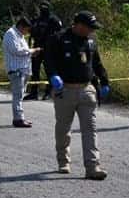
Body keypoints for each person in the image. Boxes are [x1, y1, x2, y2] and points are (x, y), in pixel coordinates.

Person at [44, 11, 111, 180]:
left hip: (86, 90)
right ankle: (63, 161)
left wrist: (105, 81)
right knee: (63, 128)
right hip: (64, 90)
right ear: (79, 25)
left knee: (90, 130)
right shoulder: (58, 39)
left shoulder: (91, 41)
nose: (91, 31)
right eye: (89, 27)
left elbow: (97, 63)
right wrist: (52, 75)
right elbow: (49, 60)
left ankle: (93, 167)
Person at [3, 17, 41, 128]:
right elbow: (16, 51)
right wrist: (32, 51)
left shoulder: (20, 35)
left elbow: (23, 51)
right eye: (27, 29)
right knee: (18, 95)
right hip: (16, 70)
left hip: (23, 69)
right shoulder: (11, 34)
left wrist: (30, 53)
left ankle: (20, 117)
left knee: (20, 95)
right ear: (21, 26)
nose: (28, 32)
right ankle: (18, 119)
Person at [26, 1, 63, 100]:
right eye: (41, 7)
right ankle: (34, 92)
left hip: (49, 49)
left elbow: (59, 33)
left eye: (45, 7)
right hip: (37, 47)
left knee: (49, 71)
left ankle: (48, 92)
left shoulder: (54, 20)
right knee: (35, 71)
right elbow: (29, 30)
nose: (43, 9)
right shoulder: (36, 20)